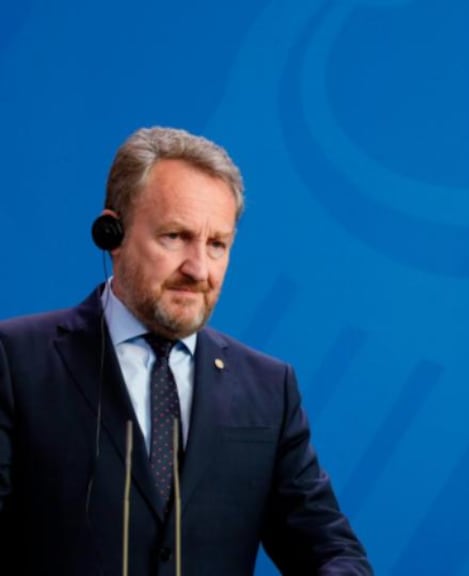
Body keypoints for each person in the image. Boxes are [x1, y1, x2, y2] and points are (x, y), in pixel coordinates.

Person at [0, 126, 373, 574]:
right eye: (175, 236)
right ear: (112, 234)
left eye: (217, 244)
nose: (199, 269)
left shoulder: (271, 389)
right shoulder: (15, 360)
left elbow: (333, 553)